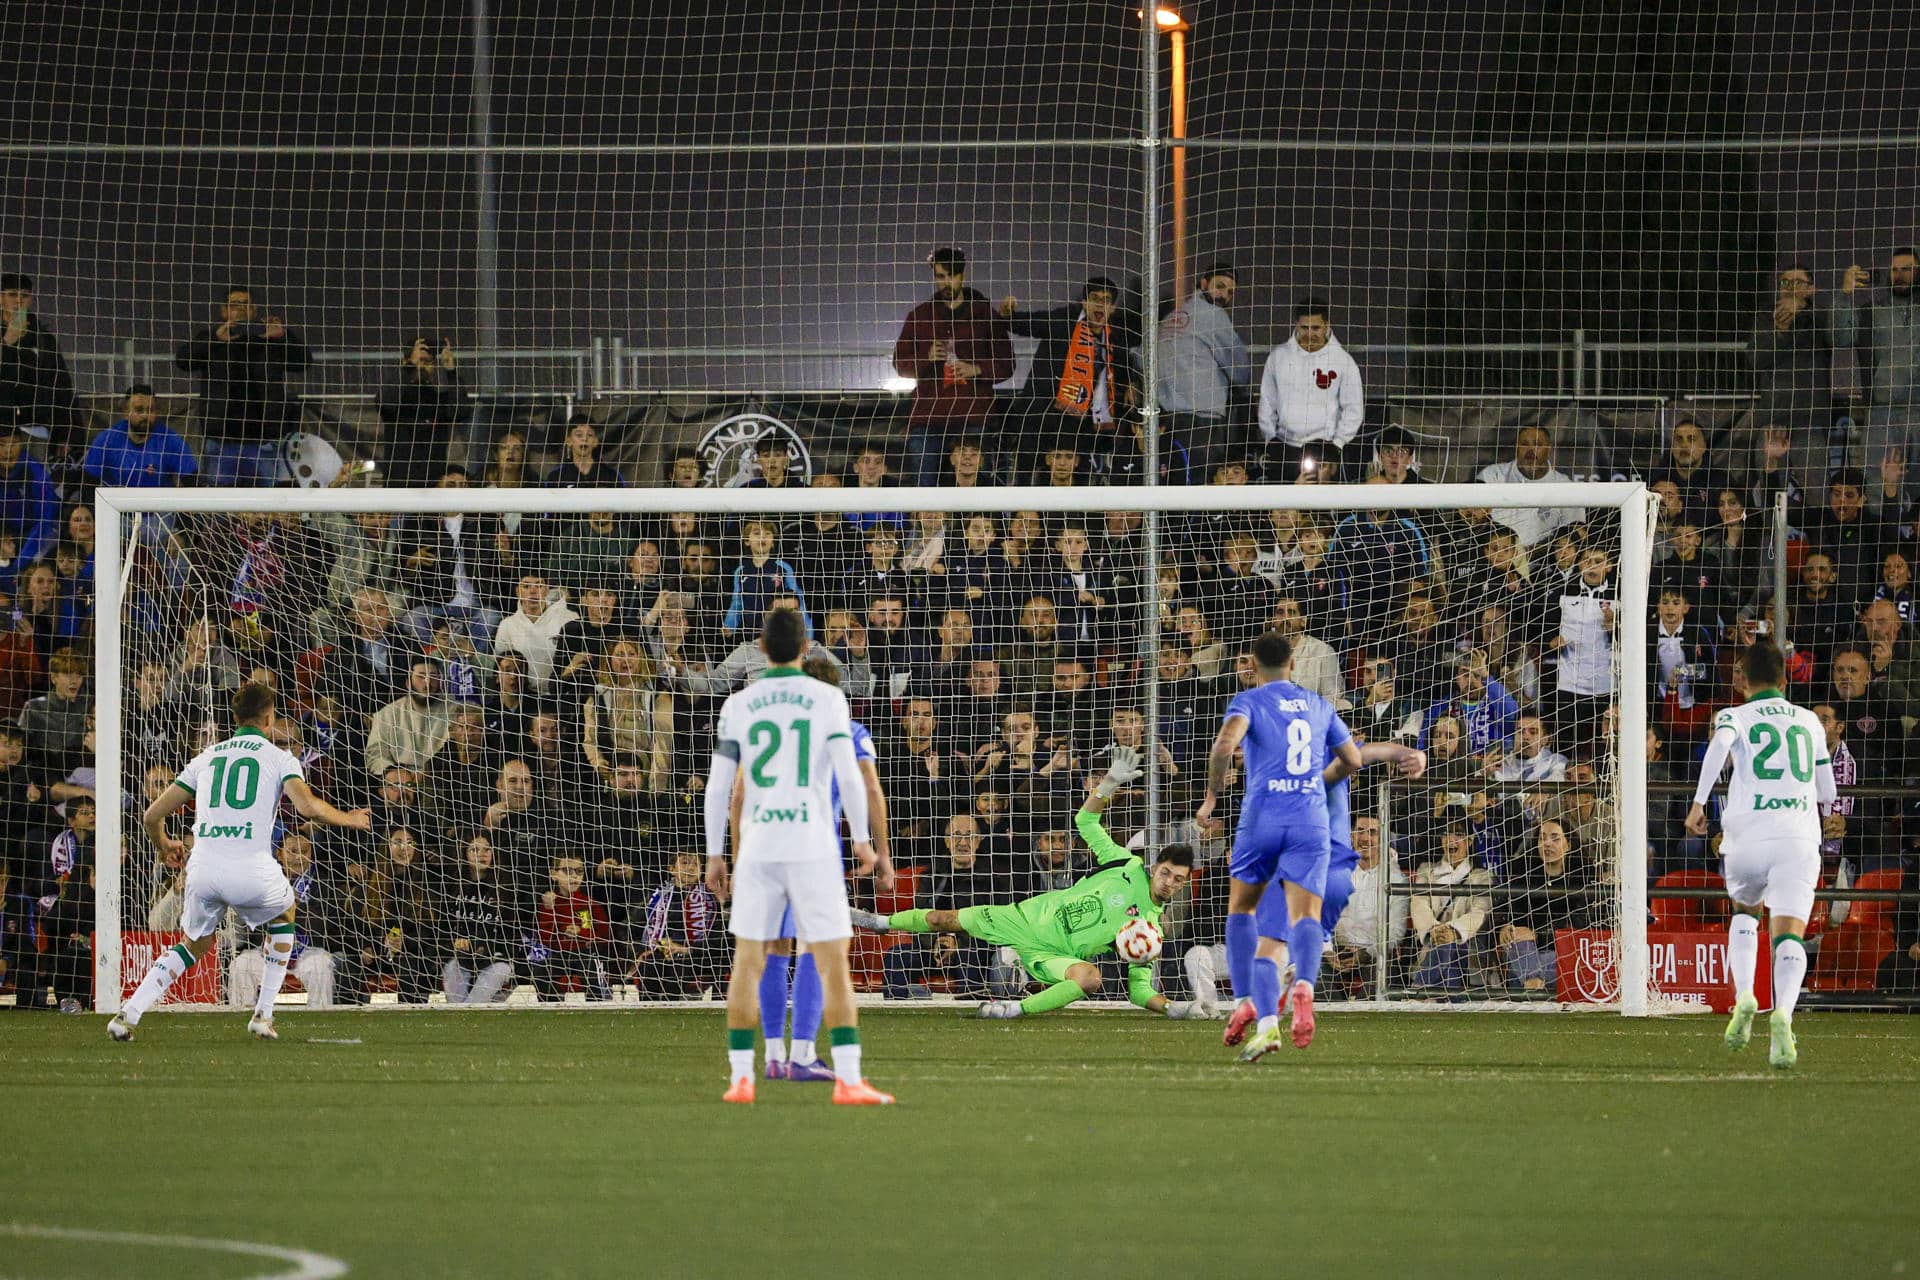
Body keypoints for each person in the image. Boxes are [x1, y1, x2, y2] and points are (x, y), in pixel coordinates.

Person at [109, 682, 371, 1041]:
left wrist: (163, 845)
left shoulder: (207, 757)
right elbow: (308, 808)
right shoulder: (280, 758)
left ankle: (129, 1012)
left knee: (193, 944)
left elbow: (152, 815)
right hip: (251, 870)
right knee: (285, 915)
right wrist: (351, 818)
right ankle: (262, 1015)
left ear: (235, 718)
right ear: (268, 718)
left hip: (203, 870)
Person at [702, 606, 890, 1105]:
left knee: (751, 957)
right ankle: (848, 1079)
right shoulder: (827, 698)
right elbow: (851, 776)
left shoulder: (741, 703)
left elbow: (721, 787)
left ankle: (743, 1075)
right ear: (806, 647)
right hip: (811, 844)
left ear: (761, 648)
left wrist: (716, 854)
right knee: (831, 958)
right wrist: (863, 841)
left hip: (760, 844)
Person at [853, 744, 1194, 1018]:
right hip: (1024, 918)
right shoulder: (1126, 863)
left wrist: (1173, 1007)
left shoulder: (1150, 932)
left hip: (1054, 953)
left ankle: (1014, 1008)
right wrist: (1108, 784)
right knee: (947, 919)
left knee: (1089, 977)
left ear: (1181, 886)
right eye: (1165, 872)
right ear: (1155, 867)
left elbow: (1139, 991)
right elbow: (1086, 821)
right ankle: (880, 921)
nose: (1168, 881)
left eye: (1177, 880)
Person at [1196, 631, 1363, 1057]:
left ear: (1252, 667)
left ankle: (1248, 1005)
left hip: (1262, 819)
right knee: (1305, 913)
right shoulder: (1319, 704)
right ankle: (1305, 984)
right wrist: (1314, 782)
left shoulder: (1249, 701)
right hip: (1308, 820)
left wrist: (1213, 796)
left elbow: (1223, 746)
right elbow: (1354, 760)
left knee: (1242, 909)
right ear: (1294, 665)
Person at [1685, 640, 1834, 1069]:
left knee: (1745, 913)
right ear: (1785, 679)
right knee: (1790, 934)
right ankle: (1783, 1012)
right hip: (1797, 840)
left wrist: (1698, 804)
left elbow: (1718, 747)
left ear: (1742, 681)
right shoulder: (1809, 721)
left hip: (1748, 836)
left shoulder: (1734, 715)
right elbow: (1827, 794)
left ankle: (1746, 994)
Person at [747, 652, 892, 1081]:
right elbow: (869, 789)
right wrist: (877, 852)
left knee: (775, 948)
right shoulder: (846, 731)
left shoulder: (766, 730)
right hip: (813, 853)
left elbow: (739, 796)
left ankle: (774, 1055)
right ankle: (803, 1054)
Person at [1223, 739, 1427, 1044]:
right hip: (1335, 864)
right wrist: (1410, 755)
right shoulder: (1333, 759)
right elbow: (1370, 751)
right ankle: (1295, 980)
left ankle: (1264, 1009)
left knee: (1271, 940)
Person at [891, 248, 1013, 487]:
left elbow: (1008, 364)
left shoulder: (985, 314)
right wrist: (925, 358)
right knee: (923, 490)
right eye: (940, 276)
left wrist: (976, 369)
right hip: (929, 415)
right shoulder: (919, 316)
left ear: (962, 275)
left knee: (981, 486)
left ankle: (981, 526)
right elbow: (900, 364)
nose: (946, 282)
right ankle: (923, 526)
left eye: (951, 275)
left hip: (973, 413)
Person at [173, 285, 311, 486]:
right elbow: (183, 361)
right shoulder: (212, 338)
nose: (240, 308)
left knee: (267, 507)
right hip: (221, 442)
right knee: (220, 509)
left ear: (254, 310)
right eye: (234, 304)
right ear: (223, 311)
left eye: (245, 304)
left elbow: (304, 362)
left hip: (264, 441)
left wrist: (283, 337)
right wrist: (214, 340)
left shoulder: (270, 340)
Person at [998, 275, 1130, 464]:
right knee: (1030, 478)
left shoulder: (1115, 338)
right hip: (1041, 420)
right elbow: (1029, 323)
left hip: (1081, 427)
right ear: (1084, 302)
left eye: (1106, 300)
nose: (1100, 305)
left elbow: (1122, 372)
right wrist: (1007, 316)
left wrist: (1131, 384)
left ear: (1113, 308)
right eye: (1094, 298)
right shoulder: (1064, 320)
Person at [1155, 262, 1252, 476]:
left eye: (1230, 291)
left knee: (1175, 481)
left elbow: (1142, 355)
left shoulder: (1173, 317)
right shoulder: (1215, 316)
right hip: (1202, 419)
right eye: (1220, 286)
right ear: (1203, 283)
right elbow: (1239, 366)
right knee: (1201, 484)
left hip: (1167, 418)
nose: (1224, 294)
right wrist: (1242, 393)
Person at [1257, 297, 1364, 480]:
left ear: (1326, 326)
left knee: (1319, 507)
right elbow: (1267, 402)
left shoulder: (1343, 361)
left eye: (1316, 328)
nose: (1309, 334)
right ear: (1296, 325)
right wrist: (1271, 438)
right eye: (1304, 327)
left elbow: (1354, 409)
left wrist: (1337, 443)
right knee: (1283, 507)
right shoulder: (1278, 357)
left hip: (1325, 450)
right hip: (1284, 448)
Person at [1835, 250, 1919, 470]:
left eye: (1907, 269)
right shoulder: (1871, 311)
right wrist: (1845, 294)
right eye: (1894, 269)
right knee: (1875, 485)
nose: (1899, 274)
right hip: (1881, 413)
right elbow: (1839, 337)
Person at [629, 850, 726, 999]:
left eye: (696, 864)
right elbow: (631, 927)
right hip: (661, 954)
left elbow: (719, 939)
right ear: (671, 869)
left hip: (698, 956)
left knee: (677, 965)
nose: (691, 868)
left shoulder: (710, 900)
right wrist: (641, 950)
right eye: (685, 862)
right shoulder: (656, 897)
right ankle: (648, 1010)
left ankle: (672, 1010)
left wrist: (686, 949)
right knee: (650, 963)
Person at [377, 335, 466, 487]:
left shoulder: (438, 400)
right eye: (418, 361)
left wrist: (451, 371)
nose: (422, 366)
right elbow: (384, 402)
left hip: (432, 488)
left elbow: (461, 411)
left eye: (427, 362)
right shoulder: (396, 397)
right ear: (405, 363)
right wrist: (411, 366)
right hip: (398, 487)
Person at [439, 830, 517, 1004]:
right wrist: (455, 942)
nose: (481, 855)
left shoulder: (505, 888)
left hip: (495, 960)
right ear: (464, 854)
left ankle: (462, 1023)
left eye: (487, 850)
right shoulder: (452, 886)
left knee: (475, 1000)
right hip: (460, 959)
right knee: (452, 969)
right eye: (474, 850)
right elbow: (444, 928)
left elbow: (511, 935)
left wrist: (480, 946)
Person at [0, 272, 77, 448]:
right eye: (12, 294)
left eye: (24, 295)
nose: (19, 301)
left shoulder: (44, 339)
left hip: (36, 431)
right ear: (1, 299)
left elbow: (62, 386)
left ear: (31, 299)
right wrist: (7, 341)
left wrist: (66, 435)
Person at [1476, 425, 1585, 549]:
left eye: (1537, 444)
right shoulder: (1493, 476)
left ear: (1549, 449)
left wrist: (1533, 554)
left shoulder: (1564, 487)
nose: (1530, 450)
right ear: (1516, 447)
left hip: (1545, 563)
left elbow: (1576, 533)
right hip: (1497, 559)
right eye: (1524, 444)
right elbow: (1475, 523)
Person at [80, 385, 199, 492]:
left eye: (150, 410)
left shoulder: (170, 440)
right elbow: (88, 482)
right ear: (126, 412)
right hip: (117, 511)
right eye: (139, 410)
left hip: (158, 510)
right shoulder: (106, 440)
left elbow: (192, 480)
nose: (145, 415)